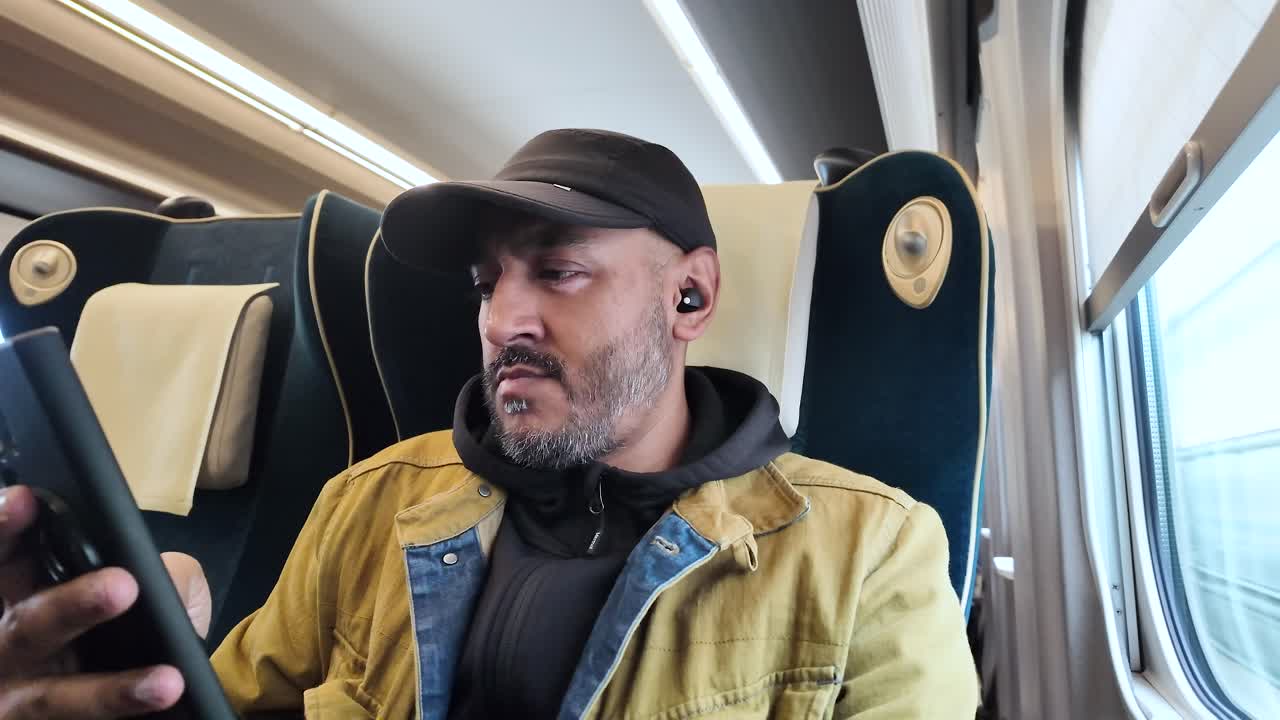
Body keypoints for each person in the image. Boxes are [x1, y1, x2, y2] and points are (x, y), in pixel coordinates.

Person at [0, 129, 978, 719]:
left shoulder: (870, 550)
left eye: (556, 271)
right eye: (485, 282)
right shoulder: (369, 504)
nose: (502, 319)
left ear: (688, 296)